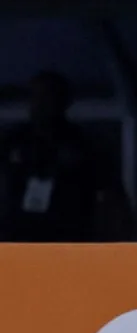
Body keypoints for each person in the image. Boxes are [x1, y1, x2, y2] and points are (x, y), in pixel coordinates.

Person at [0, 71, 123, 242]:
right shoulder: (12, 141)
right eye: (35, 96)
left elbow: (110, 194)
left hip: (68, 237)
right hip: (18, 236)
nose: (40, 104)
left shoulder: (84, 145)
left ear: (64, 101)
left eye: (47, 96)